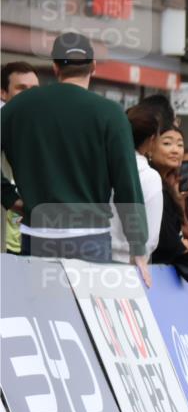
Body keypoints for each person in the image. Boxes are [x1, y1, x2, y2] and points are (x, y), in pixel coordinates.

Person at [0, 32, 148, 279]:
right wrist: (138, 247)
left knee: (40, 314)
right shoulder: (110, 114)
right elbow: (127, 184)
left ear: (55, 67)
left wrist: (8, 197)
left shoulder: (19, 107)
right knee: (85, 313)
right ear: (94, 66)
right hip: (90, 237)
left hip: (36, 234)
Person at [108, 103, 163, 264]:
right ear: (152, 139)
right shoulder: (149, 176)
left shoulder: (105, 166)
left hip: (95, 257)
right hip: (131, 265)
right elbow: (150, 239)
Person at [1, 61, 39, 255]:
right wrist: (11, 199)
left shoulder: (41, 129)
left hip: (29, 239)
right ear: (3, 92)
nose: (29, 95)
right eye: (21, 88)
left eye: (34, 89)